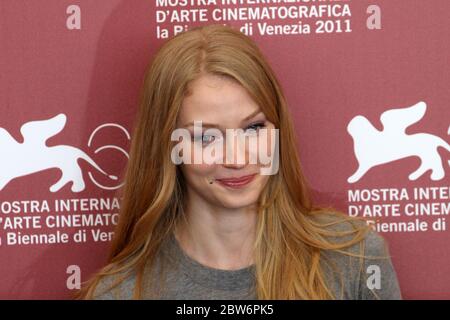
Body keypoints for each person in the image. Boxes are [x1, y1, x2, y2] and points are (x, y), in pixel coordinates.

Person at [76, 24, 402, 300]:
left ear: (278, 128)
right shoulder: (118, 293)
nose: (237, 158)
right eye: (206, 137)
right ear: (166, 145)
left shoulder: (355, 258)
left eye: (253, 128)